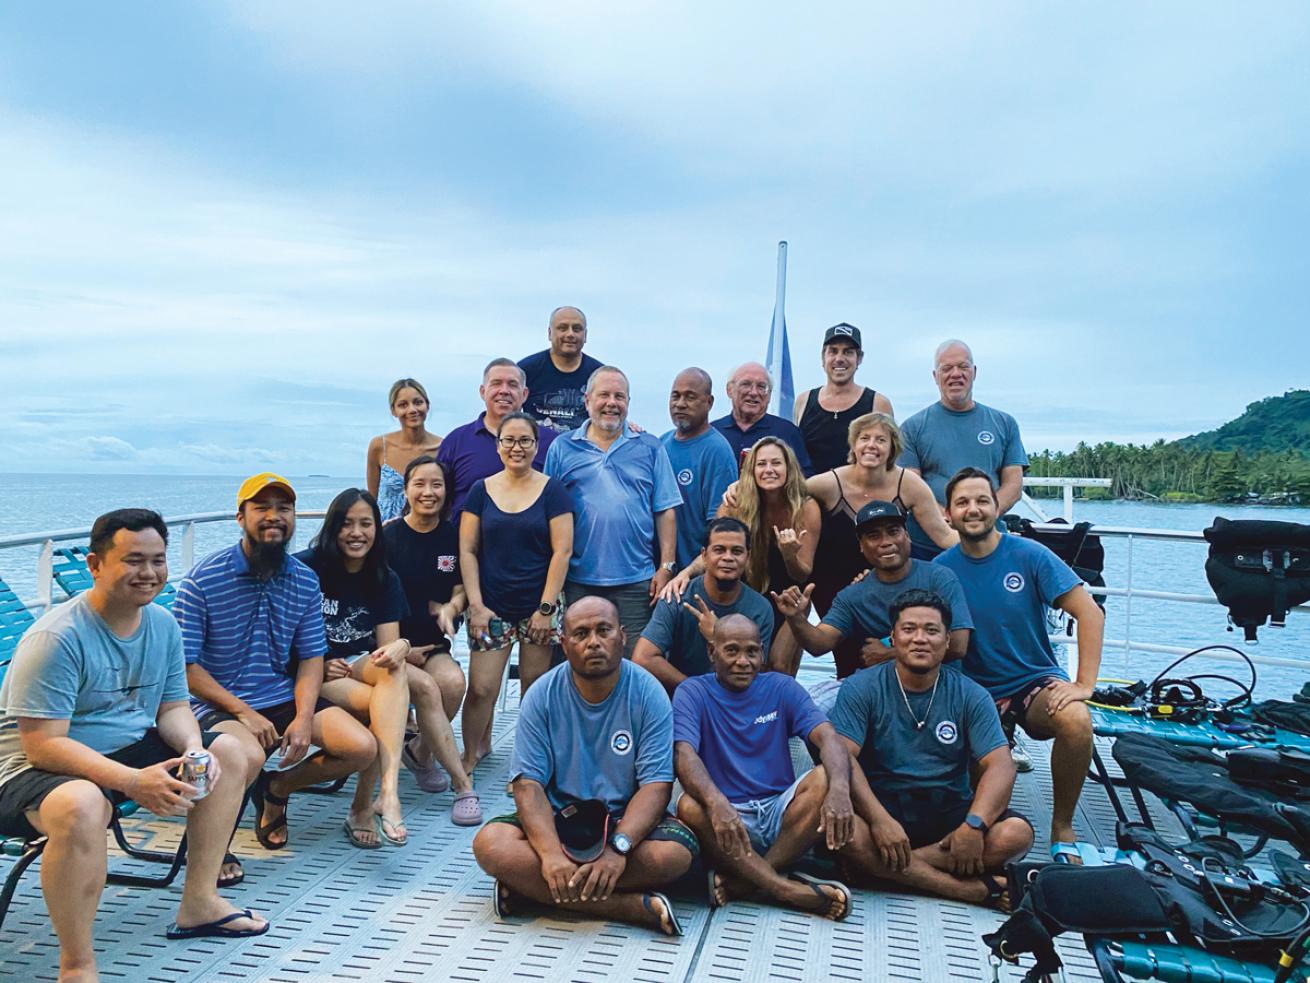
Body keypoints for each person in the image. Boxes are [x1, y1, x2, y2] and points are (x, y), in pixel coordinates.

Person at [0, 509, 268, 980]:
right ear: (96, 565)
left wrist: (191, 748)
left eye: (158, 560)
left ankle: (200, 901)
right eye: (134, 560)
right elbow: (43, 745)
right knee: (83, 803)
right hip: (28, 765)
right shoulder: (57, 638)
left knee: (227, 749)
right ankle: (77, 965)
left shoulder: (161, 624)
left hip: (120, 748)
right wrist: (132, 782)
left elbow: (171, 707)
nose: (149, 573)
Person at [471, 597, 698, 937]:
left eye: (603, 630)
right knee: (490, 844)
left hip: (624, 819)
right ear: (564, 643)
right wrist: (549, 855)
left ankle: (533, 892)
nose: (593, 641)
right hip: (561, 817)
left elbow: (656, 785)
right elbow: (528, 785)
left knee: (675, 855)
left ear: (622, 636)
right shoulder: (542, 694)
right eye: (580, 633)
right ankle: (629, 907)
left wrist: (619, 849)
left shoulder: (649, 692)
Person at [177, 474, 377, 852]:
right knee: (246, 755)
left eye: (283, 508)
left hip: (279, 696)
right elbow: (185, 670)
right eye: (262, 508)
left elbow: (310, 658)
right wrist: (244, 713)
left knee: (362, 747)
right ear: (240, 517)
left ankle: (277, 788)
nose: (274, 516)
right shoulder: (203, 580)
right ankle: (212, 853)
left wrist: (302, 718)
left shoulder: (304, 580)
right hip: (216, 702)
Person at [934, 467, 1103, 855]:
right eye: (962, 502)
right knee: (979, 799)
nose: (972, 509)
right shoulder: (942, 570)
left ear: (997, 506)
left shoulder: (1030, 555)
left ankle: (1062, 827)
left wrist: (1083, 684)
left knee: (1077, 720)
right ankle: (989, 825)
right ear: (947, 513)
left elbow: (1089, 613)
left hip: (1032, 681)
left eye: (981, 500)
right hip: (974, 691)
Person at [834, 589, 1034, 909]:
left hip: (947, 812)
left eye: (931, 630)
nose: (920, 639)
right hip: (883, 806)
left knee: (1016, 834)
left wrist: (974, 826)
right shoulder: (861, 687)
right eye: (909, 629)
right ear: (893, 638)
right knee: (845, 832)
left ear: (947, 641)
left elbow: (1001, 765)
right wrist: (880, 820)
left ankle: (877, 871)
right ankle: (967, 891)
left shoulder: (971, 695)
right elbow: (843, 758)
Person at [297, 489, 481, 835]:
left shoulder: (382, 576)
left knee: (422, 684)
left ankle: (450, 786)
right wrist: (319, 662)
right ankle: (385, 796)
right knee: (389, 706)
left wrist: (401, 646)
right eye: (347, 524)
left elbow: (384, 650)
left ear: (377, 530)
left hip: (358, 663)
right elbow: (283, 633)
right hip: (314, 668)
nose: (357, 533)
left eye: (366, 524)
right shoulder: (307, 568)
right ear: (332, 527)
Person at [673, 614, 855, 919]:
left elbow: (828, 738)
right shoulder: (693, 692)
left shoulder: (781, 687)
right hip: (726, 819)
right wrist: (717, 802)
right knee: (689, 806)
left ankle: (747, 882)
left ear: (762, 652)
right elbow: (684, 754)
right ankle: (785, 889)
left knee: (824, 778)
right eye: (731, 651)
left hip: (777, 812)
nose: (743, 661)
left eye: (752, 652)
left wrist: (840, 789)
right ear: (711, 652)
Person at [459, 411, 574, 774]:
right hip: (491, 607)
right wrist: (475, 605)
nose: (516, 447)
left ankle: (528, 764)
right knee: (481, 689)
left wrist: (546, 608)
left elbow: (563, 551)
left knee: (533, 690)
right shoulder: (482, 490)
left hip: (538, 606)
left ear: (536, 446)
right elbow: (467, 550)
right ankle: (470, 755)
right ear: (498, 445)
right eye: (509, 440)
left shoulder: (552, 490)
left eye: (525, 440)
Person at [806, 412, 958, 677]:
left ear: (892, 449)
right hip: (837, 586)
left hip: (891, 582)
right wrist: (740, 488)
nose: (872, 445)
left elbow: (944, 537)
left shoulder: (908, 484)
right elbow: (783, 492)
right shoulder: (829, 482)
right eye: (864, 438)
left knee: (897, 652)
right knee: (850, 663)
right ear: (853, 445)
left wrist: (995, 544)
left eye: (881, 439)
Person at [544, 365, 682, 657]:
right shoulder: (562, 448)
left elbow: (666, 510)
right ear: (587, 400)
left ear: (628, 403)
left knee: (636, 663)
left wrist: (666, 566)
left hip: (637, 581)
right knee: (578, 661)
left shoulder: (650, 446)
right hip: (578, 579)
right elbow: (549, 514)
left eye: (619, 396)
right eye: (604, 394)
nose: (612, 402)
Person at [663, 436, 820, 676]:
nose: (769, 470)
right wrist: (684, 572)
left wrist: (790, 555)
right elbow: (714, 551)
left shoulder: (805, 507)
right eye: (761, 464)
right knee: (747, 661)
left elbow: (802, 572)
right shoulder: (735, 504)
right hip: (749, 593)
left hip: (790, 596)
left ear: (789, 468)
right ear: (751, 470)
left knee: (778, 666)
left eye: (776, 463)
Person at [773, 500, 972, 683]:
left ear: (907, 536)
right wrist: (796, 619)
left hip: (940, 685)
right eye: (873, 535)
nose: (885, 542)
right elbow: (819, 644)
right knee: (816, 713)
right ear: (861, 546)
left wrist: (890, 654)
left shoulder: (939, 577)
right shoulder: (852, 595)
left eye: (893, 531)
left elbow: (958, 645)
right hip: (878, 689)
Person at [382, 455, 478, 800]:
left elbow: (460, 586)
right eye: (419, 484)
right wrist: (400, 647)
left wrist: (453, 606)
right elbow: (372, 598)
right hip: (389, 647)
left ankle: (420, 750)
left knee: (453, 683)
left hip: (434, 646)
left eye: (436, 484)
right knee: (426, 690)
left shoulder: (453, 537)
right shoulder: (387, 537)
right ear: (406, 490)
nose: (428, 492)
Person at [899, 340, 1028, 557]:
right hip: (928, 547)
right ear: (935, 376)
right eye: (946, 368)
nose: (955, 374)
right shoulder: (912, 427)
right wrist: (948, 517)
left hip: (990, 544)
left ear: (974, 372)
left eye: (963, 366)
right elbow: (912, 488)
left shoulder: (1005, 423)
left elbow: (1013, 485)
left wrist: (983, 515)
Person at [634, 518, 776, 693]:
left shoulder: (760, 608)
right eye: (719, 550)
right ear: (704, 555)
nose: (728, 557)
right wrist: (697, 692)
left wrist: (717, 635)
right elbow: (643, 658)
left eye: (737, 551)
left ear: (747, 557)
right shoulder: (677, 596)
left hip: (734, 701)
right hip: (683, 699)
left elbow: (753, 674)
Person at [439, 358, 557, 516]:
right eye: (496, 383)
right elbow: (439, 498)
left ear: (525, 394)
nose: (504, 390)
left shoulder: (551, 444)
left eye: (512, 384)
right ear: (482, 391)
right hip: (465, 539)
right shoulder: (456, 442)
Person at [662, 367, 738, 570]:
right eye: (675, 396)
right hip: (658, 572)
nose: (680, 404)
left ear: (709, 402)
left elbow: (720, 528)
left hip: (695, 575)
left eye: (690, 397)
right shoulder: (661, 444)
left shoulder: (717, 451)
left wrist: (690, 574)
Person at [793, 324, 895, 473]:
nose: (839, 359)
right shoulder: (803, 401)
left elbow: (889, 461)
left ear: (859, 359)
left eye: (848, 352)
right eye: (833, 351)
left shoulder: (878, 403)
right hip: (810, 493)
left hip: (860, 494)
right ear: (823, 357)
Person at [712, 362, 813, 476]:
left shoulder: (788, 432)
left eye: (761, 387)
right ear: (729, 390)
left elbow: (803, 480)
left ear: (769, 395)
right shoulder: (712, 433)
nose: (754, 392)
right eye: (746, 384)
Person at [518, 305, 605, 435]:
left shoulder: (600, 376)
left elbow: (612, 413)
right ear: (549, 333)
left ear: (585, 335)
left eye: (577, 329)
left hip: (582, 451)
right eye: (562, 328)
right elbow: (507, 412)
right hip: (535, 450)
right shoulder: (525, 370)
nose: (570, 334)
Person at [366, 378, 443, 522]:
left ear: (427, 405)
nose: (412, 410)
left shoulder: (443, 448)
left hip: (428, 531)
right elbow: (371, 501)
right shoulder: (379, 446)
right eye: (403, 405)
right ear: (393, 410)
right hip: (387, 534)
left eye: (418, 402)